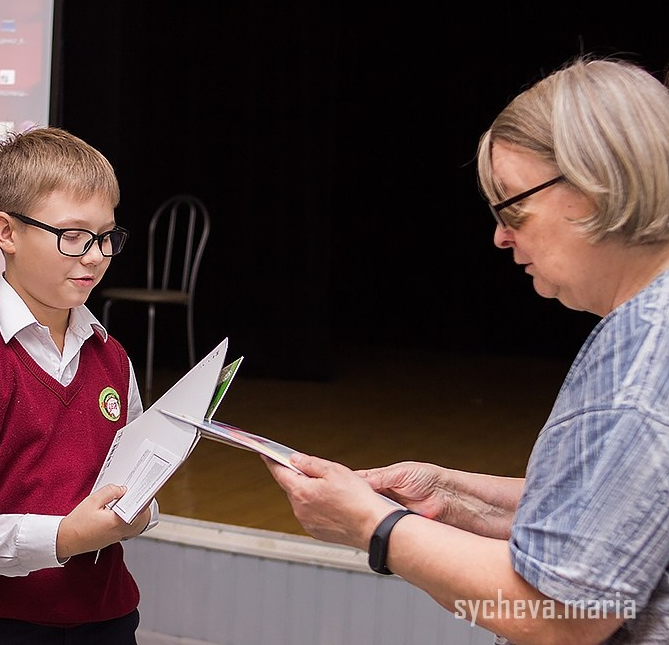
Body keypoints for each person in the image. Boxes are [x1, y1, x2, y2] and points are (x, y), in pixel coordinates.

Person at [266, 57, 669, 644]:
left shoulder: (640, 365)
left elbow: (558, 617)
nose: (501, 234)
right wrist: (453, 497)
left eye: (512, 206)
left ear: (593, 184)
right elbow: (609, 518)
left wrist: (372, 525)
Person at [0, 126, 157, 644]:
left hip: (102, 619)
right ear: (7, 233)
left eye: (107, 236)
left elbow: (129, 477)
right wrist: (62, 537)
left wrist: (141, 504)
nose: (95, 256)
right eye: (73, 236)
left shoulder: (111, 357)